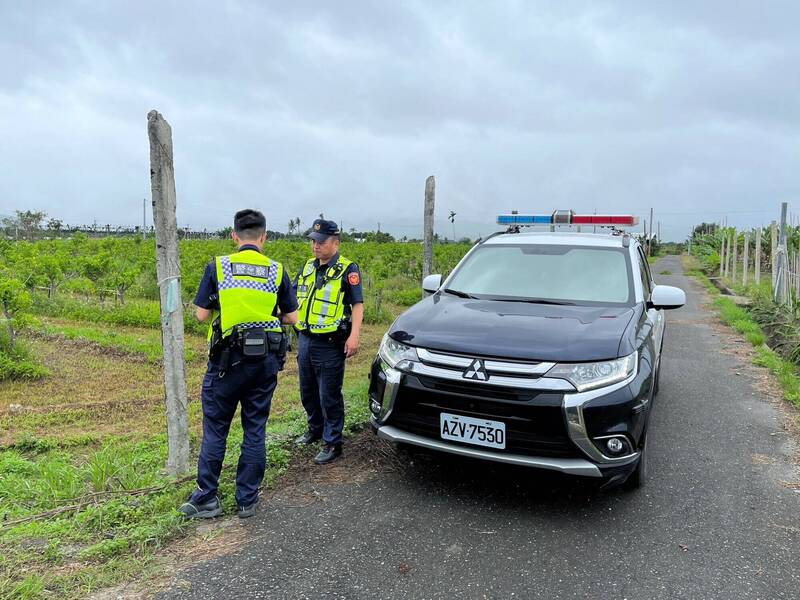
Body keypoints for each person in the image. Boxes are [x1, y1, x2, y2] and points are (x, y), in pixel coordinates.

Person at [179, 209, 298, 519]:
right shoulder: (276, 270)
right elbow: (292, 318)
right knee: (254, 428)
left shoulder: (219, 266)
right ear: (264, 237)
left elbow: (202, 315)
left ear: (234, 236)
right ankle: (247, 499)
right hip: (264, 363)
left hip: (226, 363)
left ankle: (207, 497)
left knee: (216, 429)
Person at [293, 218, 364, 464]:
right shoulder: (307, 268)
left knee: (329, 395)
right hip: (305, 339)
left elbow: (357, 304)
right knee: (307, 391)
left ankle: (333, 442)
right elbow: (293, 297)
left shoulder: (348, 269)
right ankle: (315, 429)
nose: (316, 246)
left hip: (330, 343)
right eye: (313, 241)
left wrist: (354, 335)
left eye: (321, 242)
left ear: (336, 242)